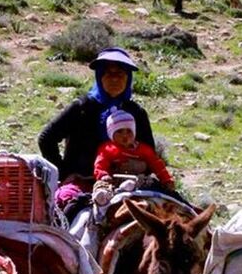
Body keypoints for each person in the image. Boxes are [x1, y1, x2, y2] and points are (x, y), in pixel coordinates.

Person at [38, 47, 154, 219]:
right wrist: (64, 173)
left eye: (120, 74)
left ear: (128, 78)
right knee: (69, 211)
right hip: (84, 181)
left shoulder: (136, 112)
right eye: (109, 73)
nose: (115, 79)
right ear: (99, 76)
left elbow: (150, 151)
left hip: (129, 183)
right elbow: (46, 138)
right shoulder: (82, 108)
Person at [93, 108, 174, 190]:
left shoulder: (144, 149)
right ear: (111, 133)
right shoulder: (107, 149)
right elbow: (100, 164)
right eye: (119, 131)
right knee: (101, 188)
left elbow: (157, 165)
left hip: (139, 183)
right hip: (114, 182)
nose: (125, 135)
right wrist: (103, 175)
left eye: (129, 131)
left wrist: (166, 179)